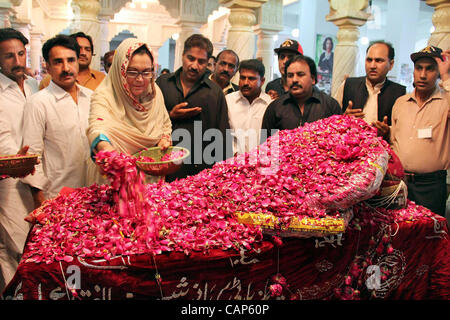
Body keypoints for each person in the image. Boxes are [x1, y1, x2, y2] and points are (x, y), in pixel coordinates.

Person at [87, 38, 172, 184]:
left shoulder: (155, 93)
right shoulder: (105, 95)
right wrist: (107, 151)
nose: (140, 79)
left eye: (146, 72)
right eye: (132, 72)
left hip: (149, 177)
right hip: (115, 178)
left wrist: (164, 139)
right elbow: (97, 126)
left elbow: (165, 123)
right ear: (120, 70)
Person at [21, 35, 92, 204]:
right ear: (48, 67)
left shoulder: (92, 98)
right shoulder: (38, 103)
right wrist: (41, 203)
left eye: (71, 60)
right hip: (58, 198)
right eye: (58, 62)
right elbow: (32, 158)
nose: (66, 68)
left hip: (94, 196)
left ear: (77, 62)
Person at [156, 34, 232, 181]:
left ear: (209, 62)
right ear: (182, 55)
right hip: (164, 168)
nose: (194, 66)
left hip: (199, 173)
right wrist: (170, 116)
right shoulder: (163, 84)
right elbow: (147, 119)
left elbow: (222, 138)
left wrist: (220, 178)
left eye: (201, 61)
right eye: (190, 58)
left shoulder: (215, 93)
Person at [390, 46, 449, 217]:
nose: (423, 75)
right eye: (419, 68)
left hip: (430, 185)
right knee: (398, 234)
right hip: (400, 183)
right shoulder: (401, 102)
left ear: (438, 72)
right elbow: (394, 140)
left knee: (428, 236)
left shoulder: (445, 102)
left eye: (430, 69)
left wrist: (446, 77)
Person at [0, 27, 38, 292]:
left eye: (20, 54)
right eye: (8, 56)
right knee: (13, 245)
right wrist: (14, 160)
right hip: (8, 180)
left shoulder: (35, 86)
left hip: (36, 176)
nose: (17, 61)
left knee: (33, 243)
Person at [334, 41, 406, 138]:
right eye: (369, 60)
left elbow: (403, 130)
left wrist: (388, 131)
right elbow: (332, 120)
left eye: (379, 61)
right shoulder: (348, 85)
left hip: (382, 150)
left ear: (391, 64)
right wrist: (343, 118)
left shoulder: (400, 93)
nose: (372, 66)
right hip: (349, 149)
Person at [261, 55, 342, 139]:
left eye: (300, 74)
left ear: (313, 79)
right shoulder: (275, 107)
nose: (294, 80)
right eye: (290, 75)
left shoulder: (330, 106)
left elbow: (340, 141)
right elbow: (265, 144)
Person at [226, 59, 271, 155]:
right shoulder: (228, 101)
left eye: (251, 79)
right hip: (232, 162)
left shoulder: (270, 105)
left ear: (262, 81)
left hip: (261, 162)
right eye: (242, 78)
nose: (245, 82)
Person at [39, 32, 105, 91]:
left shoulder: (102, 79)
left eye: (87, 49)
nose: (83, 53)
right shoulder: (48, 81)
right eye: (79, 49)